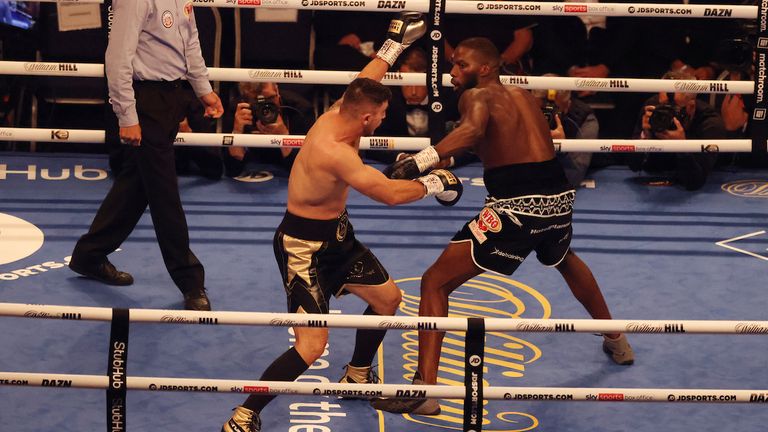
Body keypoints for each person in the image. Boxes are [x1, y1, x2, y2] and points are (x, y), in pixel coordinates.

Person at [221, 13, 464, 432]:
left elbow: (367, 78)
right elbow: (388, 194)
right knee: (312, 346)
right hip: (302, 246)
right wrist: (433, 181)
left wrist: (394, 44)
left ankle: (356, 375)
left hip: (337, 235)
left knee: (388, 301)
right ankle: (245, 414)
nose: (385, 119)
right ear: (367, 119)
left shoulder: (342, 110)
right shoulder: (335, 151)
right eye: (383, 114)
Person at [371, 37, 634, 415]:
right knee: (564, 258)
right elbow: (500, 142)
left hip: (516, 206)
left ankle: (425, 391)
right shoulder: (523, 95)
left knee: (435, 282)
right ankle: (617, 338)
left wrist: (421, 161)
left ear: (485, 68)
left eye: (461, 65)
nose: (453, 72)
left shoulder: (475, 97)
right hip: (559, 198)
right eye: (453, 65)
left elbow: (474, 130)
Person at [68, 0, 224, 311]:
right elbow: (117, 58)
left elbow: (189, 41)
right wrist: (127, 116)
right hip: (145, 101)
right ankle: (189, 279)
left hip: (171, 96)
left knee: (136, 187)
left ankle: (89, 255)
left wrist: (203, 89)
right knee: (164, 193)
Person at [632, 70, 726, 191]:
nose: (666, 112)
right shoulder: (652, 110)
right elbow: (634, 166)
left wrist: (682, 148)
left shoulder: (710, 123)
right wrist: (645, 136)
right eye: (663, 105)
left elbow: (694, 182)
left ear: (691, 107)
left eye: (674, 107)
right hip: (655, 176)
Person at [223, 82, 312, 177]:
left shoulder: (299, 109)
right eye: (256, 101)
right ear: (245, 99)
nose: (265, 106)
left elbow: (304, 169)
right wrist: (237, 131)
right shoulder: (239, 111)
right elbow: (232, 169)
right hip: (252, 167)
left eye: (270, 98)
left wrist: (283, 135)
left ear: (277, 91)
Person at [532, 80, 599, 188]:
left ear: (567, 105)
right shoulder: (523, 113)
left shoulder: (585, 120)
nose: (545, 116)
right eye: (540, 109)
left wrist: (561, 149)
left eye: (554, 110)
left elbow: (573, 177)